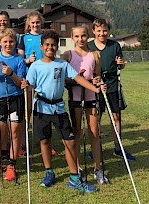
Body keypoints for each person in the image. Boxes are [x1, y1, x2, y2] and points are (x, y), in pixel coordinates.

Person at [26, 30, 102, 192]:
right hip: (41, 109)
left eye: (53, 45)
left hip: (59, 109)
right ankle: (49, 172)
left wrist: (95, 89)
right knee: (45, 141)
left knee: (70, 141)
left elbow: (78, 78)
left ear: (57, 47)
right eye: (47, 45)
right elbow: (29, 86)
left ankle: (74, 178)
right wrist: (27, 105)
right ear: (41, 46)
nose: (50, 48)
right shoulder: (35, 66)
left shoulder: (62, 64)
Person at [62, 25, 109, 184]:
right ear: (72, 38)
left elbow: (96, 75)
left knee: (94, 132)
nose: (80, 39)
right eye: (77, 36)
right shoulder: (68, 55)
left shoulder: (95, 54)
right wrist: (74, 80)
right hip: (75, 98)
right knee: (77, 132)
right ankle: (77, 166)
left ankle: (98, 168)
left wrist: (96, 80)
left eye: (83, 36)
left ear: (87, 36)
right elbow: (63, 77)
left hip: (91, 98)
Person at [88, 19, 135, 160]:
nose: (102, 33)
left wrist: (121, 64)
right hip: (96, 87)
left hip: (112, 86)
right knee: (97, 118)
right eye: (99, 31)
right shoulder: (89, 46)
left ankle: (118, 147)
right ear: (94, 31)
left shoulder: (114, 46)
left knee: (116, 117)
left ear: (108, 31)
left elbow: (120, 65)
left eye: (105, 31)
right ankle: (97, 148)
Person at [0, 28, 26, 182]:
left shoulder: (19, 59)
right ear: (0, 42)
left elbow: (21, 82)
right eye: (5, 41)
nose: (8, 44)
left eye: (11, 41)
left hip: (15, 99)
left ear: (15, 42)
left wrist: (10, 74)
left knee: (15, 132)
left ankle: (12, 165)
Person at [18, 11, 56, 156]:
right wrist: (28, 61)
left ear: (41, 23)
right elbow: (20, 59)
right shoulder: (24, 38)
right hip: (29, 79)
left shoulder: (46, 37)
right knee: (27, 112)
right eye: (33, 23)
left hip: (45, 79)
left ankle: (47, 143)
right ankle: (23, 144)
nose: (35, 25)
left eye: (37, 22)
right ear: (29, 24)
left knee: (45, 112)